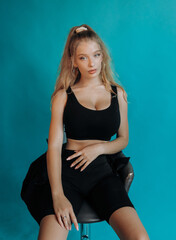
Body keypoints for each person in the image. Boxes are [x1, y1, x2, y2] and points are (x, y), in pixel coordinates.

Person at [21, 24, 150, 240]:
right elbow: (53, 146)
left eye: (96, 55)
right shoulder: (62, 96)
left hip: (101, 174)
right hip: (66, 174)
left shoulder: (118, 94)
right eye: (83, 58)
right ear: (73, 61)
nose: (92, 63)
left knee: (140, 238)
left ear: (102, 56)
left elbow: (123, 139)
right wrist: (58, 195)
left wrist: (98, 148)